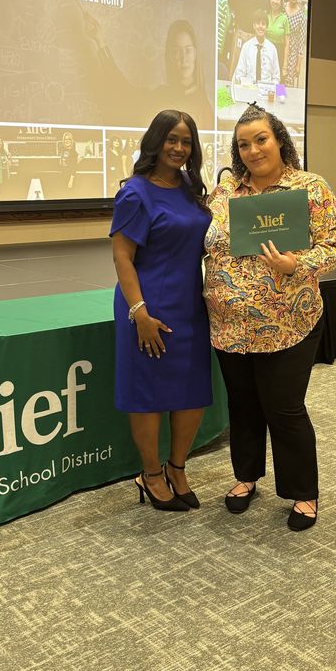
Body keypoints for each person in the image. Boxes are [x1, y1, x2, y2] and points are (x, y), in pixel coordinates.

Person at [203, 105, 336, 530]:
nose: (252, 150)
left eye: (260, 139)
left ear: (279, 139)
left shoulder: (310, 188)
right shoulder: (226, 192)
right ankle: (246, 477)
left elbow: (332, 248)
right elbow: (208, 241)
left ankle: (304, 492)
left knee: (283, 408)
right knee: (243, 407)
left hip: (288, 323)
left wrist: (295, 265)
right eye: (243, 144)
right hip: (229, 324)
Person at [110, 110, 212, 511]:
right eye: (171, 139)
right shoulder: (134, 193)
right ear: (156, 141)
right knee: (148, 396)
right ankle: (150, 474)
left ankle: (177, 468)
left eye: (186, 141)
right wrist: (139, 313)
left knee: (191, 394)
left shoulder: (189, 187)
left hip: (189, 306)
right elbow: (121, 257)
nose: (179, 148)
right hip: (146, 309)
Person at [233, 8, 280, 86]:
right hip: (249, 90)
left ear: (267, 27)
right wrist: (248, 85)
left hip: (267, 92)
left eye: (263, 24)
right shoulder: (246, 47)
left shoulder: (272, 49)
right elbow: (239, 75)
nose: (260, 26)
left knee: (282, 95)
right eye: (258, 23)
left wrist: (271, 90)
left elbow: (276, 78)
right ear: (253, 26)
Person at [284, 0, 307, 88]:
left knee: (285, 88)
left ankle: (282, 104)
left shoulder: (301, 16)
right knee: (277, 81)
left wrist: (298, 65)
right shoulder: (282, 8)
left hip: (292, 56)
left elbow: (301, 43)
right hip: (280, 49)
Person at [217, 0, 240, 77]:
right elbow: (214, 26)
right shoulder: (222, 0)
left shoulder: (231, 5)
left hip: (223, 52)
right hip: (217, 51)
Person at [266, 0, 290, 73]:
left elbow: (287, 45)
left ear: (281, 1)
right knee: (266, 82)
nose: (275, 1)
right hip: (266, 53)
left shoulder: (285, 19)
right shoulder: (265, 16)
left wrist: (284, 66)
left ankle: (280, 88)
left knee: (280, 86)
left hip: (279, 54)